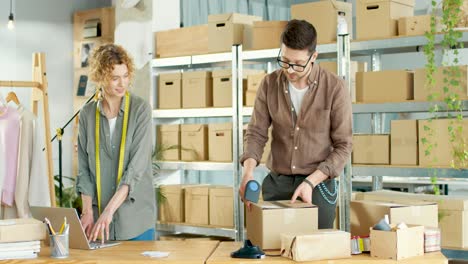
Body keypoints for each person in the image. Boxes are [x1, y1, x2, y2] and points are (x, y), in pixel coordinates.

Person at [239, 20, 352, 229]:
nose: (290, 70)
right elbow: (256, 133)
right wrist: (248, 173)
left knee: (314, 254)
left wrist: (310, 182)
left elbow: (344, 146)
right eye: (284, 61)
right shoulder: (269, 84)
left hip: (318, 186)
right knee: (272, 252)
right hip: (277, 185)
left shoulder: (335, 87)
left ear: (313, 57)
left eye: (298, 64)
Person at [76, 44, 156, 241]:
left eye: (126, 76)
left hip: (135, 221)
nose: (122, 83)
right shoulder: (87, 115)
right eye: (115, 78)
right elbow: (84, 170)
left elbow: (135, 169)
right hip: (98, 224)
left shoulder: (140, 110)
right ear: (101, 78)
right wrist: (87, 211)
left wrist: (108, 212)